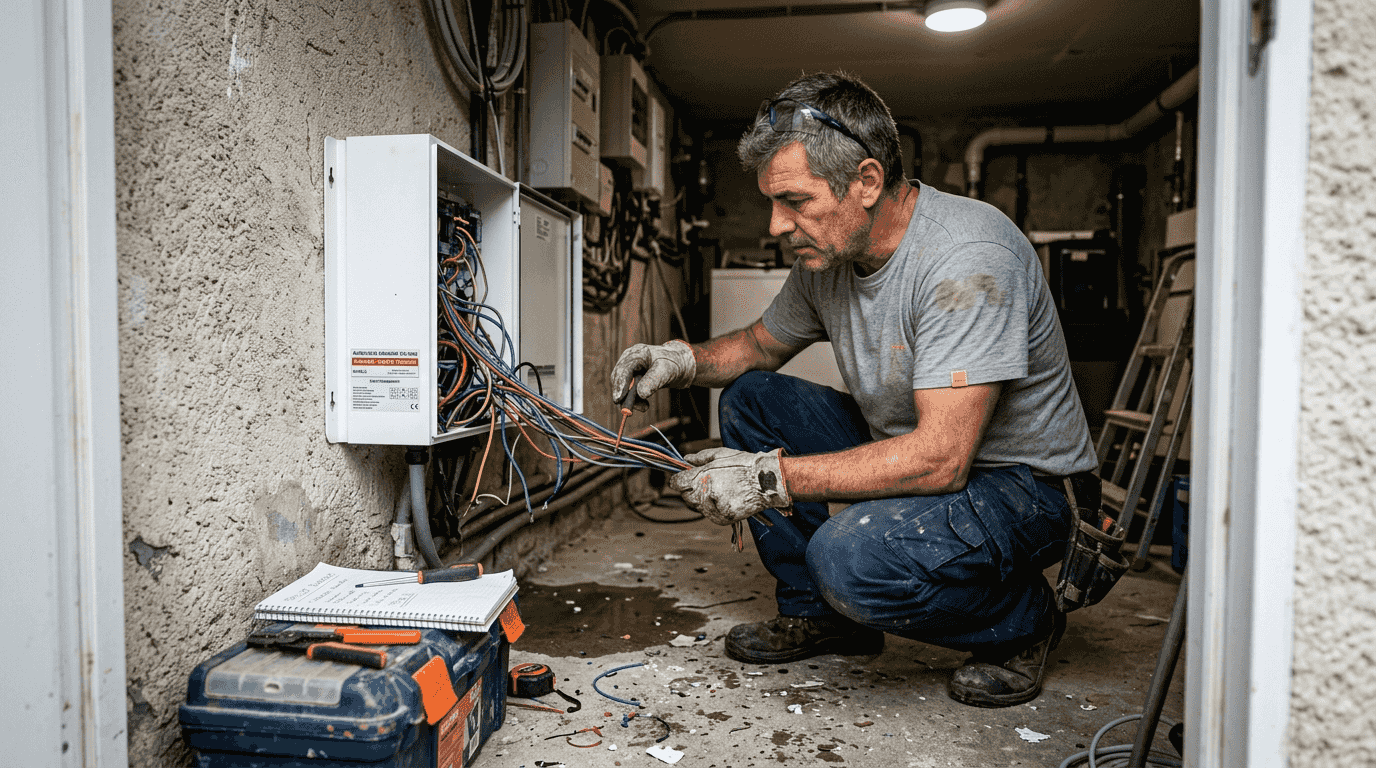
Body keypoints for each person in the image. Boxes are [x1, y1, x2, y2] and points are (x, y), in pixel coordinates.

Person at [610, 71, 1099, 709]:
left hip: (1024, 485)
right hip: (924, 447)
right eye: (772, 202)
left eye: (795, 201)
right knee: (752, 398)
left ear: (866, 181)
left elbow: (941, 459)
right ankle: (820, 615)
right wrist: (678, 360)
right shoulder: (831, 257)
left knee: (848, 561)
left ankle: (1023, 619)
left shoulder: (967, 257)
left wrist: (766, 479)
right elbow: (758, 345)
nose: (777, 225)